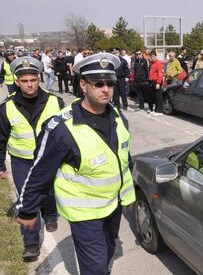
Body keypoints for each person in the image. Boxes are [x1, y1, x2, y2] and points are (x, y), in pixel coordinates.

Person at [16, 53, 136, 274]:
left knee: (108, 254)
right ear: (83, 84)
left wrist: (128, 196)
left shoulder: (118, 117)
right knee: (96, 268)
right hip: (84, 213)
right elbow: (40, 173)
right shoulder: (61, 127)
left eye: (110, 83)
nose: (106, 89)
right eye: (98, 83)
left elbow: (123, 160)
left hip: (113, 206)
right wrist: (28, 211)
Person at [0, 56, 64, 262]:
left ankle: (51, 214)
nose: (29, 84)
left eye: (33, 80)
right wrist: (0, 164)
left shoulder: (56, 101)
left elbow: (68, 132)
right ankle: (31, 243)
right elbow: (0, 138)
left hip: (49, 160)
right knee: (26, 200)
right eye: (25, 81)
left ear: (39, 79)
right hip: (22, 161)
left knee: (49, 191)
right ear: (17, 82)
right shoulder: (6, 107)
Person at [148, 50, 164, 116]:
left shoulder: (158, 63)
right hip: (152, 81)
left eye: (153, 57)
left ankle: (159, 111)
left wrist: (158, 83)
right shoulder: (152, 63)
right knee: (154, 96)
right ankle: (156, 109)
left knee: (158, 96)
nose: (151, 58)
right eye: (151, 57)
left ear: (155, 56)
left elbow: (160, 74)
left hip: (156, 81)